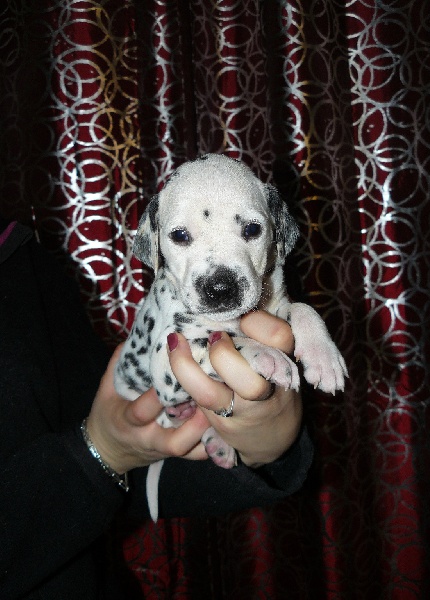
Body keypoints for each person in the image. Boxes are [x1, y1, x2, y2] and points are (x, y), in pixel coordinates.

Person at [0, 218, 313, 600]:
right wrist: (99, 453)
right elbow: (94, 454)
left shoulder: (19, 254)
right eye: (180, 235)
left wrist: (265, 449)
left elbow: (118, 437)